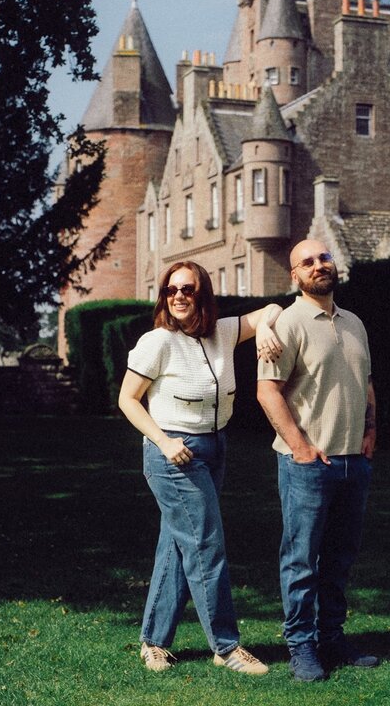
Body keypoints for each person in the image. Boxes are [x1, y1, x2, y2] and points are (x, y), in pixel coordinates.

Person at [118, 260, 283, 675]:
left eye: (187, 289)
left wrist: (264, 328)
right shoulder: (157, 342)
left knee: (178, 544)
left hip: (214, 448)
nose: (178, 296)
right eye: (171, 290)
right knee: (206, 545)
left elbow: (273, 309)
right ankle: (226, 647)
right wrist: (164, 441)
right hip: (175, 453)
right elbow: (127, 400)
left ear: (202, 294)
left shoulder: (223, 332)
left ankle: (153, 642)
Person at [256, 239, 379, 682]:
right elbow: (267, 389)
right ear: (295, 275)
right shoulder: (287, 323)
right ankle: (301, 646)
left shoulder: (355, 323)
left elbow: (365, 382)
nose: (317, 265)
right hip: (307, 466)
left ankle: (332, 638)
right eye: (306, 262)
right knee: (302, 560)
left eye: (323, 258)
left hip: (353, 463)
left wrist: (370, 431)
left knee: (340, 559)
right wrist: (300, 447)